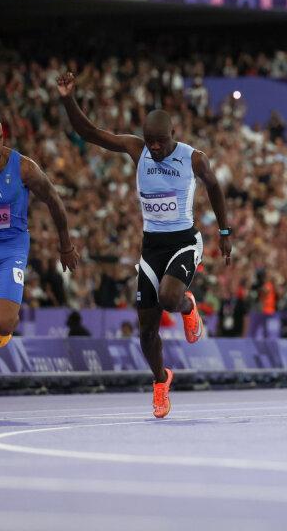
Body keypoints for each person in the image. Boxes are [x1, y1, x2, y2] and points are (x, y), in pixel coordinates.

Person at [57, 72, 232, 418]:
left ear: (172, 136)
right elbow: (89, 133)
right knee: (147, 328)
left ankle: (186, 306)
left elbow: (214, 187)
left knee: (169, 298)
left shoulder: (193, 158)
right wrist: (68, 99)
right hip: (151, 246)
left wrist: (225, 232)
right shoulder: (137, 149)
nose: (154, 147)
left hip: (184, 240)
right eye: (150, 141)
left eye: (159, 142)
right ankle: (160, 380)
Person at [0, 114, 79, 421]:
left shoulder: (23, 168)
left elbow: (54, 201)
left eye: (0, 138)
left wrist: (65, 245)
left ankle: (6, 325)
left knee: (3, 323)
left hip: (11, 248)